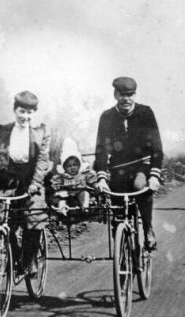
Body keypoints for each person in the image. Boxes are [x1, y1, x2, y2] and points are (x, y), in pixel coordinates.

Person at [0, 91, 50, 277]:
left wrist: (35, 183)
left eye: (29, 112)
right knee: (0, 220)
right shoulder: (1, 131)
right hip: (8, 183)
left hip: (31, 183)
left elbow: (43, 161)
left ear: (34, 113)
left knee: (34, 217)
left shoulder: (41, 131)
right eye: (22, 111)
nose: (25, 116)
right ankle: (15, 255)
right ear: (14, 110)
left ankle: (29, 260)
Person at [94, 76, 163, 250]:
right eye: (122, 94)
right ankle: (121, 248)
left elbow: (157, 147)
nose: (126, 98)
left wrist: (154, 176)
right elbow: (101, 151)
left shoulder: (145, 113)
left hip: (142, 166)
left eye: (130, 94)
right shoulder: (107, 117)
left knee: (140, 186)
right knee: (117, 211)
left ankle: (147, 228)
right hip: (118, 170)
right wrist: (101, 178)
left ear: (135, 94)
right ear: (115, 95)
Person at [47, 138, 96, 214]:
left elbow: (92, 180)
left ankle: (85, 207)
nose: (72, 168)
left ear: (79, 165)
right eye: (69, 166)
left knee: (85, 193)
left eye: (75, 165)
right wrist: (57, 186)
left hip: (79, 191)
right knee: (61, 197)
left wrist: (94, 184)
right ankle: (62, 209)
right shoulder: (63, 176)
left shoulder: (83, 174)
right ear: (64, 167)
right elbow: (56, 184)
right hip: (66, 193)